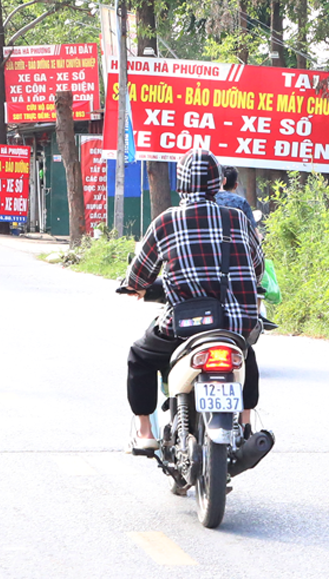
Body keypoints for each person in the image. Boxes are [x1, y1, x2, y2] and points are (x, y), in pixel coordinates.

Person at [123, 149, 265, 451]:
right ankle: (247, 422)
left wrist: (133, 286)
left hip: (184, 326)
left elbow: (140, 276)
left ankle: (145, 432)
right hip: (235, 324)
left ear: (181, 183)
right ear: (218, 182)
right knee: (246, 354)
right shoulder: (237, 218)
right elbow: (257, 267)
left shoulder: (166, 222)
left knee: (141, 356)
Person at [215, 165, 259, 235]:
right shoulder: (241, 202)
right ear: (236, 185)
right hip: (237, 244)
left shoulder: (209, 200)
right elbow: (254, 232)